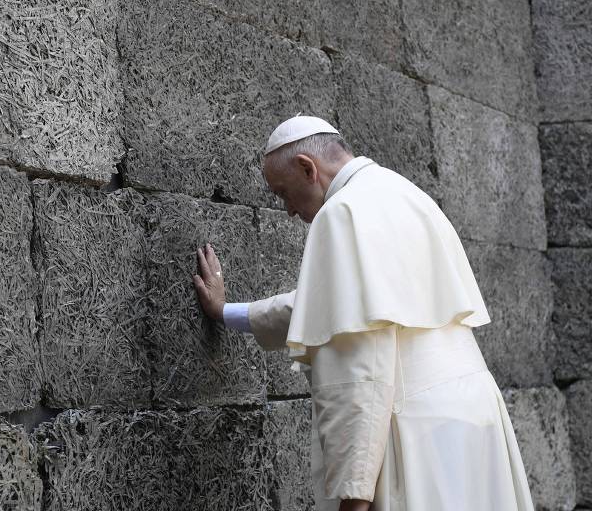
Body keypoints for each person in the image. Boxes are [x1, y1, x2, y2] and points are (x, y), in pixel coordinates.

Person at [193, 116, 534, 511]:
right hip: (476, 416)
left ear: (308, 167)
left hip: (413, 429)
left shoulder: (340, 213)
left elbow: (361, 366)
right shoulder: (406, 193)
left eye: (284, 193)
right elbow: (332, 308)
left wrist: (355, 491)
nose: (287, 210)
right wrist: (224, 311)